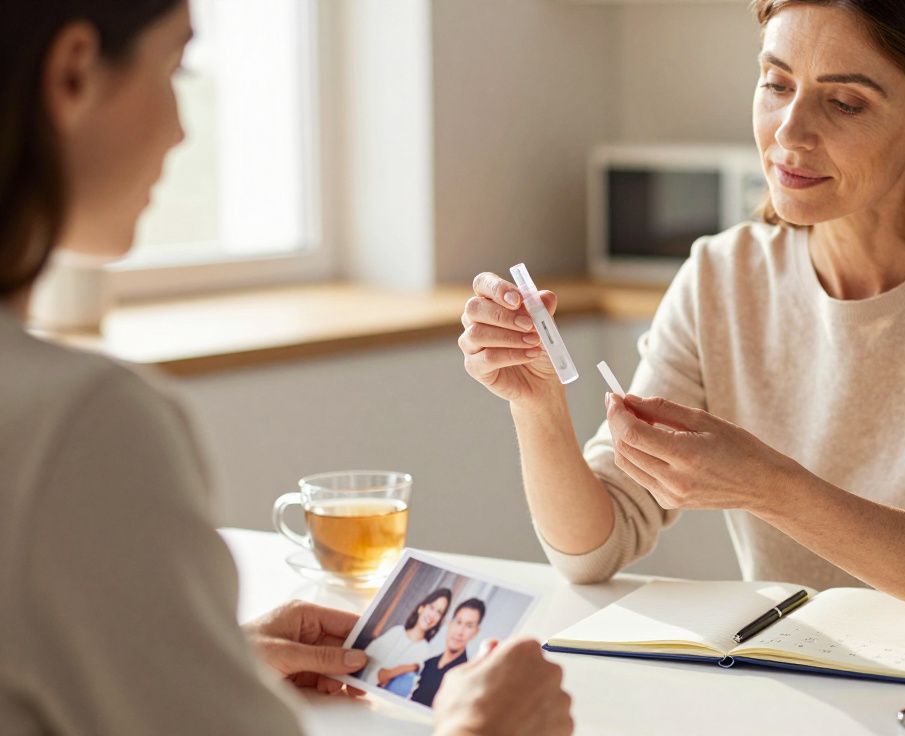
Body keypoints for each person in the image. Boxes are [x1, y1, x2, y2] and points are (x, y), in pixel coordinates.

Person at [0, 2, 572, 734]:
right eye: (175, 68)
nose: (181, 129)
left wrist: (205, 655)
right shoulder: (81, 425)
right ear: (74, 72)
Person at [459, 0, 905, 626]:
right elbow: (595, 546)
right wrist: (536, 402)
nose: (789, 133)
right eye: (776, 83)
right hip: (809, 684)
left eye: (845, 102)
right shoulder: (722, 275)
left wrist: (768, 485)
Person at [360, 588, 452, 694]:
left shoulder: (425, 651)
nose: (432, 615)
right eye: (432, 607)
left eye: (439, 612)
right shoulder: (396, 632)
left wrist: (405, 669)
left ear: (439, 620)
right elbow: (366, 659)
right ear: (421, 608)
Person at [411, 598, 485, 707]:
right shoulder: (428, 663)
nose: (460, 631)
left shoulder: (465, 677)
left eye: (469, 626)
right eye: (458, 622)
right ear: (449, 624)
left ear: (476, 632)